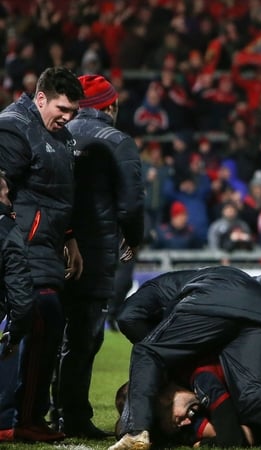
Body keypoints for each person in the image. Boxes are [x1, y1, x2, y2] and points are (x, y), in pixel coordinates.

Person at [110, 268, 261, 450]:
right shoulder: (230, 284)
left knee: (146, 351)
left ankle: (135, 431)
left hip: (208, 300)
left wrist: (170, 359)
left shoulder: (156, 298)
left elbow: (128, 318)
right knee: (249, 396)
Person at [52, 74, 145, 439]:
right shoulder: (117, 141)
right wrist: (133, 239)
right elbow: (131, 203)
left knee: (48, 332)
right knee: (84, 336)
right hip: (94, 250)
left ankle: (37, 411)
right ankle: (72, 416)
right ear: (110, 106)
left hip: (50, 244)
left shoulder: (55, 134)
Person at [0, 67, 84, 442]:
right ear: (40, 99)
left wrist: (70, 239)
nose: (67, 117)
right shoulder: (15, 127)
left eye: (74, 111)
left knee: (47, 322)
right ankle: (20, 417)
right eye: (62, 108)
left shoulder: (62, 137)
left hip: (47, 246)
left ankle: (26, 416)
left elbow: (56, 195)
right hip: (21, 246)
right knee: (38, 317)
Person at [0, 170, 36, 443]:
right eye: (4, 192)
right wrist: (14, 333)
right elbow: (21, 297)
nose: (9, 198)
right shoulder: (7, 230)